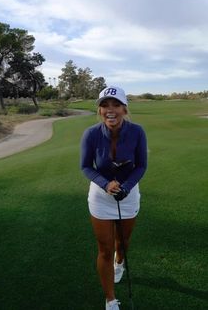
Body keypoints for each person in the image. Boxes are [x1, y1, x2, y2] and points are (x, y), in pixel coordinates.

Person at [80, 86, 147, 310]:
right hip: (100, 197)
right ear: (99, 110)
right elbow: (86, 167)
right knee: (105, 249)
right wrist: (105, 183)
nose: (110, 110)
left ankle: (120, 263)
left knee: (123, 243)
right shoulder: (91, 134)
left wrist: (126, 187)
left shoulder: (137, 132)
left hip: (129, 195)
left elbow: (141, 166)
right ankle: (110, 299)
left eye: (115, 105)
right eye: (105, 105)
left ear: (124, 108)